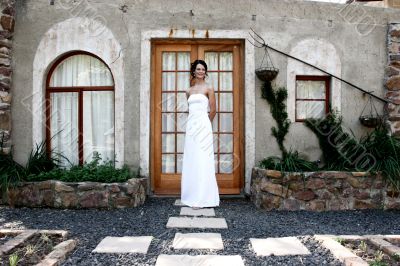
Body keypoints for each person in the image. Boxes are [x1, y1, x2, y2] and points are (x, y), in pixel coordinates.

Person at [180, 59, 220, 209]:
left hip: (203, 127)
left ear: (205, 72)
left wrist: (205, 124)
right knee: (192, 159)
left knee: (203, 159)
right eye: (198, 69)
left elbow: (214, 110)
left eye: (203, 69)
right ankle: (192, 195)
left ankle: (204, 197)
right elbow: (191, 111)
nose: (201, 71)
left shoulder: (209, 89)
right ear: (194, 71)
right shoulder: (188, 91)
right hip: (191, 127)